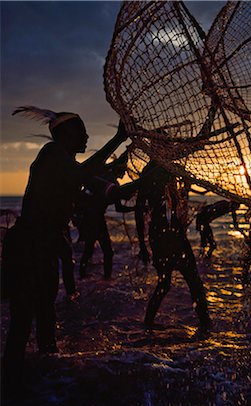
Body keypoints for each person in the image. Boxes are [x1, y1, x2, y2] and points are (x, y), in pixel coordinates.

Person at [2, 106, 137, 382]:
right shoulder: (51, 155)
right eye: (81, 131)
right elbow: (82, 175)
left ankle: (48, 387)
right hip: (27, 248)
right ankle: (13, 394)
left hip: (46, 248)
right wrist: (117, 139)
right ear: (63, 134)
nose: (86, 136)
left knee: (46, 314)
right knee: (23, 320)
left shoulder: (73, 167)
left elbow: (114, 191)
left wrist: (148, 179)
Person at [135, 160, 211, 331]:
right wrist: (142, 245)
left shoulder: (167, 168)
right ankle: (206, 324)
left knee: (168, 282)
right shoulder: (154, 170)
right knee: (190, 280)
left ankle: (148, 323)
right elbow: (139, 210)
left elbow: (142, 210)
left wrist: (143, 244)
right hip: (166, 235)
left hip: (165, 234)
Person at [76, 151, 134, 279]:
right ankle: (106, 278)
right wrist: (135, 207)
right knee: (107, 251)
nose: (125, 173)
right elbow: (119, 207)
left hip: (89, 218)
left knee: (89, 249)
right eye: (123, 170)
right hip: (95, 219)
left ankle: (82, 276)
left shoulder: (104, 178)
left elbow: (118, 207)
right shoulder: (110, 182)